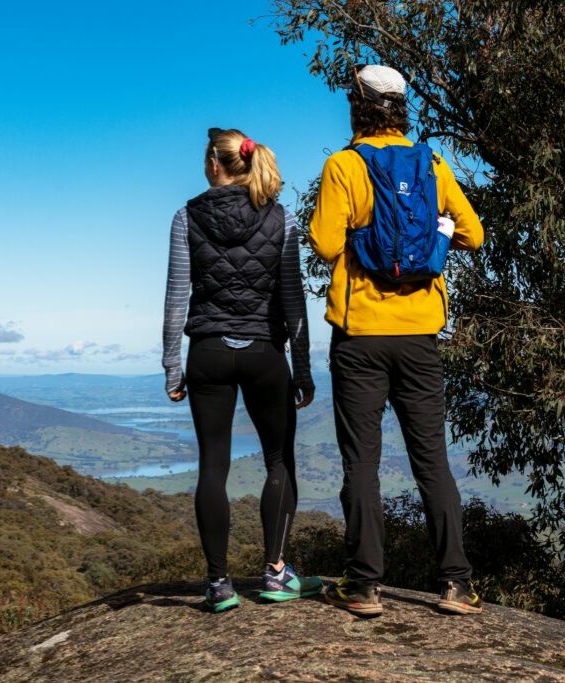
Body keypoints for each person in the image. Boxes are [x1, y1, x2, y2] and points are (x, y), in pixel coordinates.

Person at [309, 64, 485, 617]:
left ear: (357, 106)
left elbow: (322, 243)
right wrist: (429, 244)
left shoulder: (343, 164)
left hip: (360, 334)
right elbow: (474, 233)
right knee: (431, 459)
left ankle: (363, 586)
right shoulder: (432, 162)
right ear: (402, 107)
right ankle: (456, 583)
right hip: (419, 336)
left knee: (361, 461)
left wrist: (365, 242)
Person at [163, 127, 320, 613]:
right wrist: (304, 367)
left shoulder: (185, 215)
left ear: (215, 163)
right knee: (278, 460)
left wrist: (172, 365)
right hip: (264, 354)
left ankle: (218, 584)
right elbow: (292, 301)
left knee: (213, 466)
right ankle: (275, 573)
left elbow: (175, 298)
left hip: (207, 352)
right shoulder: (282, 219)